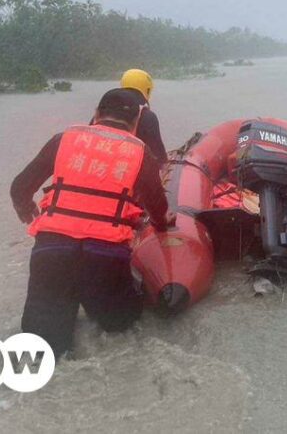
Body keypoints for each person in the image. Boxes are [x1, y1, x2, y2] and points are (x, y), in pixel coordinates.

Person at [10, 88, 171, 357]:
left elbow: (19, 187)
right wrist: (162, 226)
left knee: (43, 348)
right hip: (104, 256)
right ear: (135, 124)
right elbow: (158, 207)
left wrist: (27, 210)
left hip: (51, 250)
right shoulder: (142, 154)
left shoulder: (63, 140)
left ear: (96, 114)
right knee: (120, 324)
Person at [118, 69, 167, 165]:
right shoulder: (148, 117)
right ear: (147, 90)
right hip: (128, 171)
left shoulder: (102, 113)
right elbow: (159, 156)